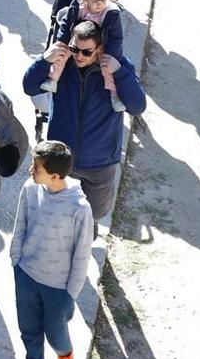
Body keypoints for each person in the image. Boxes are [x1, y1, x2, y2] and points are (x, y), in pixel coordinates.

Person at [26, 19, 144, 229]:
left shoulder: (117, 66)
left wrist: (119, 73)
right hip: (62, 157)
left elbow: (137, 106)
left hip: (99, 161)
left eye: (86, 52)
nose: (79, 56)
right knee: (52, 213)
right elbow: (29, 86)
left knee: (95, 214)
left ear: (99, 49)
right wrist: (45, 60)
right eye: (75, 49)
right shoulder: (62, 65)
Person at [1, 142, 98, 359]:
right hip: (26, 275)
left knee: (56, 334)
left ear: (55, 175)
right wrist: (16, 262)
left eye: (37, 167)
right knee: (28, 329)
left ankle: (65, 357)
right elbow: (20, 223)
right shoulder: (31, 188)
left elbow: (82, 254)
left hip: (58, 288)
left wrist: (71, 293)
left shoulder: (80, 208)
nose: (31, 170)